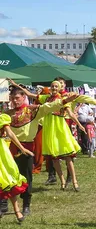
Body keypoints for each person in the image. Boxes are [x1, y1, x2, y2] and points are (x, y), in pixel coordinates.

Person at [1, 86, 78, 216]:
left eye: (17, 98)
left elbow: (49, 106)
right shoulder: (7, 114)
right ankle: (3, 205)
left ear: (24, 98)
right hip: (9, 147)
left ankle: (26, 204)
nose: (15, 101)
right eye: (13, 98)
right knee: (6, 176)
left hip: (27, 148)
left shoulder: (33, 111)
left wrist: (64, 101)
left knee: (26, 176)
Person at [38, 81, 82, 192]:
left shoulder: (62, 99)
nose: (53, 88)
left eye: (56, 86)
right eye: (52, 86)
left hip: (60, 128)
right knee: (55, 158)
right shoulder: (46, 98)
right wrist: (17, 86)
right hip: (50, 128)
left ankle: (74, 181)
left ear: (59, 88)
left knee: (68, 156)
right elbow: (31, 95)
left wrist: (79, 124)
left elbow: (70, 113)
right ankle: (62, 181)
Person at [0, 114, 35, 223]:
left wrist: (22, 148)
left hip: (1, 155)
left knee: (8, 181)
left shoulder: (2, 118)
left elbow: (10, 133)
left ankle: (17, 210)